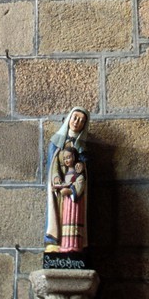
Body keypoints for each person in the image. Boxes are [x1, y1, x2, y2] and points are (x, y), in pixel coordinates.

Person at [43, 107, 89, 251]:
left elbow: (84, 167)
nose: (77, 122)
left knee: (72, 214)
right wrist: (56, 178)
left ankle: (72, 244)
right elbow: (53, 163)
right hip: (60, 184)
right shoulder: (56, 141)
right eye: (75, 118)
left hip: (73, 185)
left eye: (81, 121)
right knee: (57, 210)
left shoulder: (82, 147)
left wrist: (82, 166)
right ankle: (55, 242)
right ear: (69, 118)